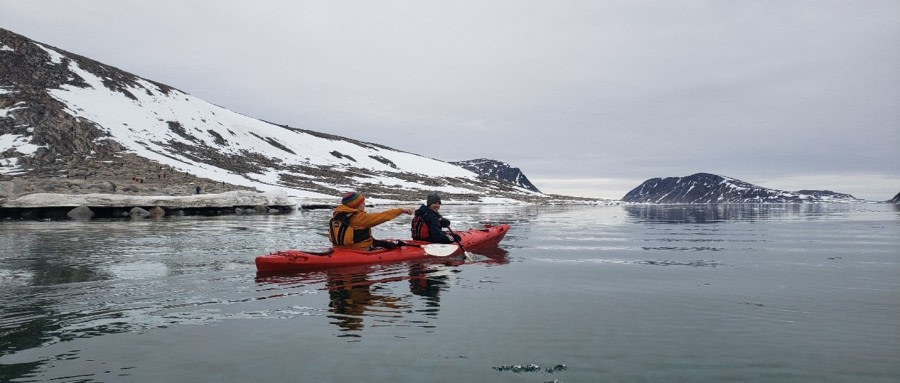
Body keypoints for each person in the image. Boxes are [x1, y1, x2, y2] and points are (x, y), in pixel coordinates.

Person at [329, 192, 412, 250]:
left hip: (338, 248)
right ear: (356, 205)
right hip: (359, 249)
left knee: (382, 243)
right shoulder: (359, 218)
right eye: (363, 203)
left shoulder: (337, 215)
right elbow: (384, 216)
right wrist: (401, 210)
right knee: (392, 246)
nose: (364, 205)